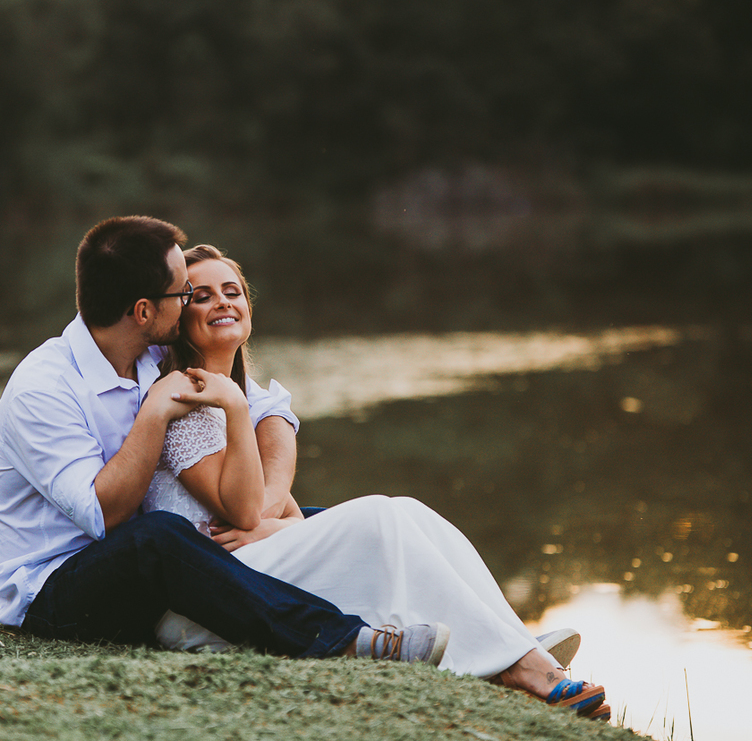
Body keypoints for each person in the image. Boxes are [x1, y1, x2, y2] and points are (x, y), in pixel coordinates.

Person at [144, 244, 611, 721]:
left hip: (252, 572)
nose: (223, 302)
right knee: (378, 517)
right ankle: (518, 665)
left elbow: (278, 514)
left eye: (232, 291)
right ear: (178, 319)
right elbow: (245, 516)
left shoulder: (236, 396)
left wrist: (273, 523)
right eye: (201, 296)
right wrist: (239, 415)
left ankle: (517, 650)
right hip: (206, 603)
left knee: (408, 512)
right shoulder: (183, 399)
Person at [0, 215, 448, 666]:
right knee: (161, 537)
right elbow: (104, 517)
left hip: (157, 558)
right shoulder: (43, 389)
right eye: (183, 292)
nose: (190, 300)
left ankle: (426, 621)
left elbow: (264, 405)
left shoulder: (147, 349)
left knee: (325, 523)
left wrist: (266, 508)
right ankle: (345, 640)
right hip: (56, 590)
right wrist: (153, 413)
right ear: (144, 311)